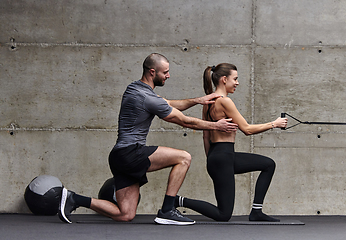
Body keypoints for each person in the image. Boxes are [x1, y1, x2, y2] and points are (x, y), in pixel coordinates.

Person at [58, 53, 238, 225]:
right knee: (184, 157)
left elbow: (168, 103)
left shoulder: (135, 88)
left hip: (119, 156)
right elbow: (183, 121)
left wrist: (198, 100)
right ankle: (168, 209)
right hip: (131, 152)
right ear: (153, 72)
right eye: (165, 72)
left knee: (125, 214)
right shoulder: (146, 97)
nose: (168, 75)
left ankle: (74, 198)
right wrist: (216, 125)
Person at [174, 63, 287, 222]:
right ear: (224, 79)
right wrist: (274, 124)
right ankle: (177, 200)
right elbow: (246, 129)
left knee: (268, 164)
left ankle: (256, 212)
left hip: (220, 156)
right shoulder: (225, 102)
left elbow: (206, 137)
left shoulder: (207, 103)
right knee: (223, 214)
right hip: (223, 157)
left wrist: (211, 160)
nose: (237, 83)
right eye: (235, 79)